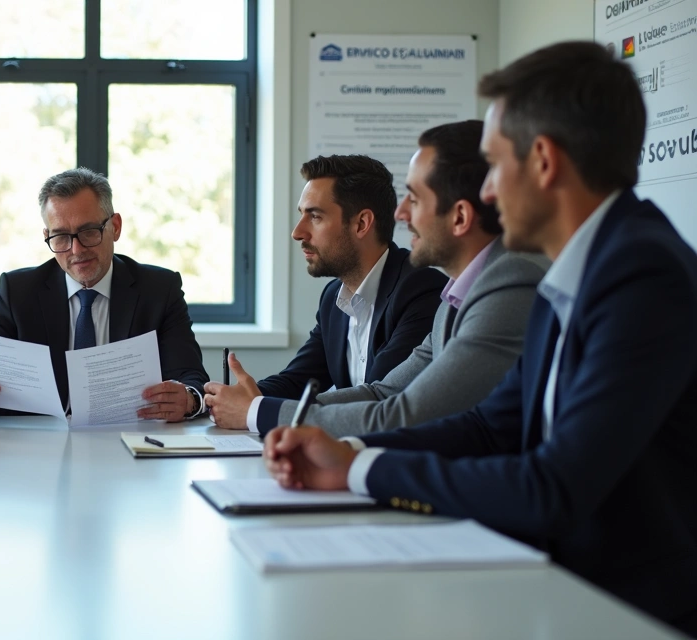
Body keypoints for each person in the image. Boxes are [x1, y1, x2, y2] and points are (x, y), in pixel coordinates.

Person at [264, 42, 697, 635]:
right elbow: (491, 424)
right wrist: (351, 456)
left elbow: (552, 486)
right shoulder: (574, 270)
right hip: (557, 581)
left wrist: (362, 472)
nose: (487, 193)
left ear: (543, 161)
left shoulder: (641, 275)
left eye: (494, 165)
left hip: (626, 610)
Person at [226, 121, 548, 436]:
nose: (400, 213)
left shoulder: (507, 283)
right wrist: (262, 407)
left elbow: (407, 413)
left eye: (415, 199)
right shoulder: (456, 295)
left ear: (460, 217)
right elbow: (384, 393)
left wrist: (262, 412)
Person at [207, 155, 448, 429]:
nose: (298, 232)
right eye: (301, 215)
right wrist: (234, 399)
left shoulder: (421, 290)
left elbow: (376, 399)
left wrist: (256, 410)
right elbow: (298, 380)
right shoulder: (334, 297)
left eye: (315, 216)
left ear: (361, 224)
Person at [0, 167, 209, 421]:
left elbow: (192, 377)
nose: (76, 250)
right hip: (37, 451)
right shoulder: (18, 292)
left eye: (88, 232)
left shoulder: (159, 290)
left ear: (115, 227)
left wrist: (188, 400)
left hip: (132, 443)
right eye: (61, 236)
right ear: (47, 235)